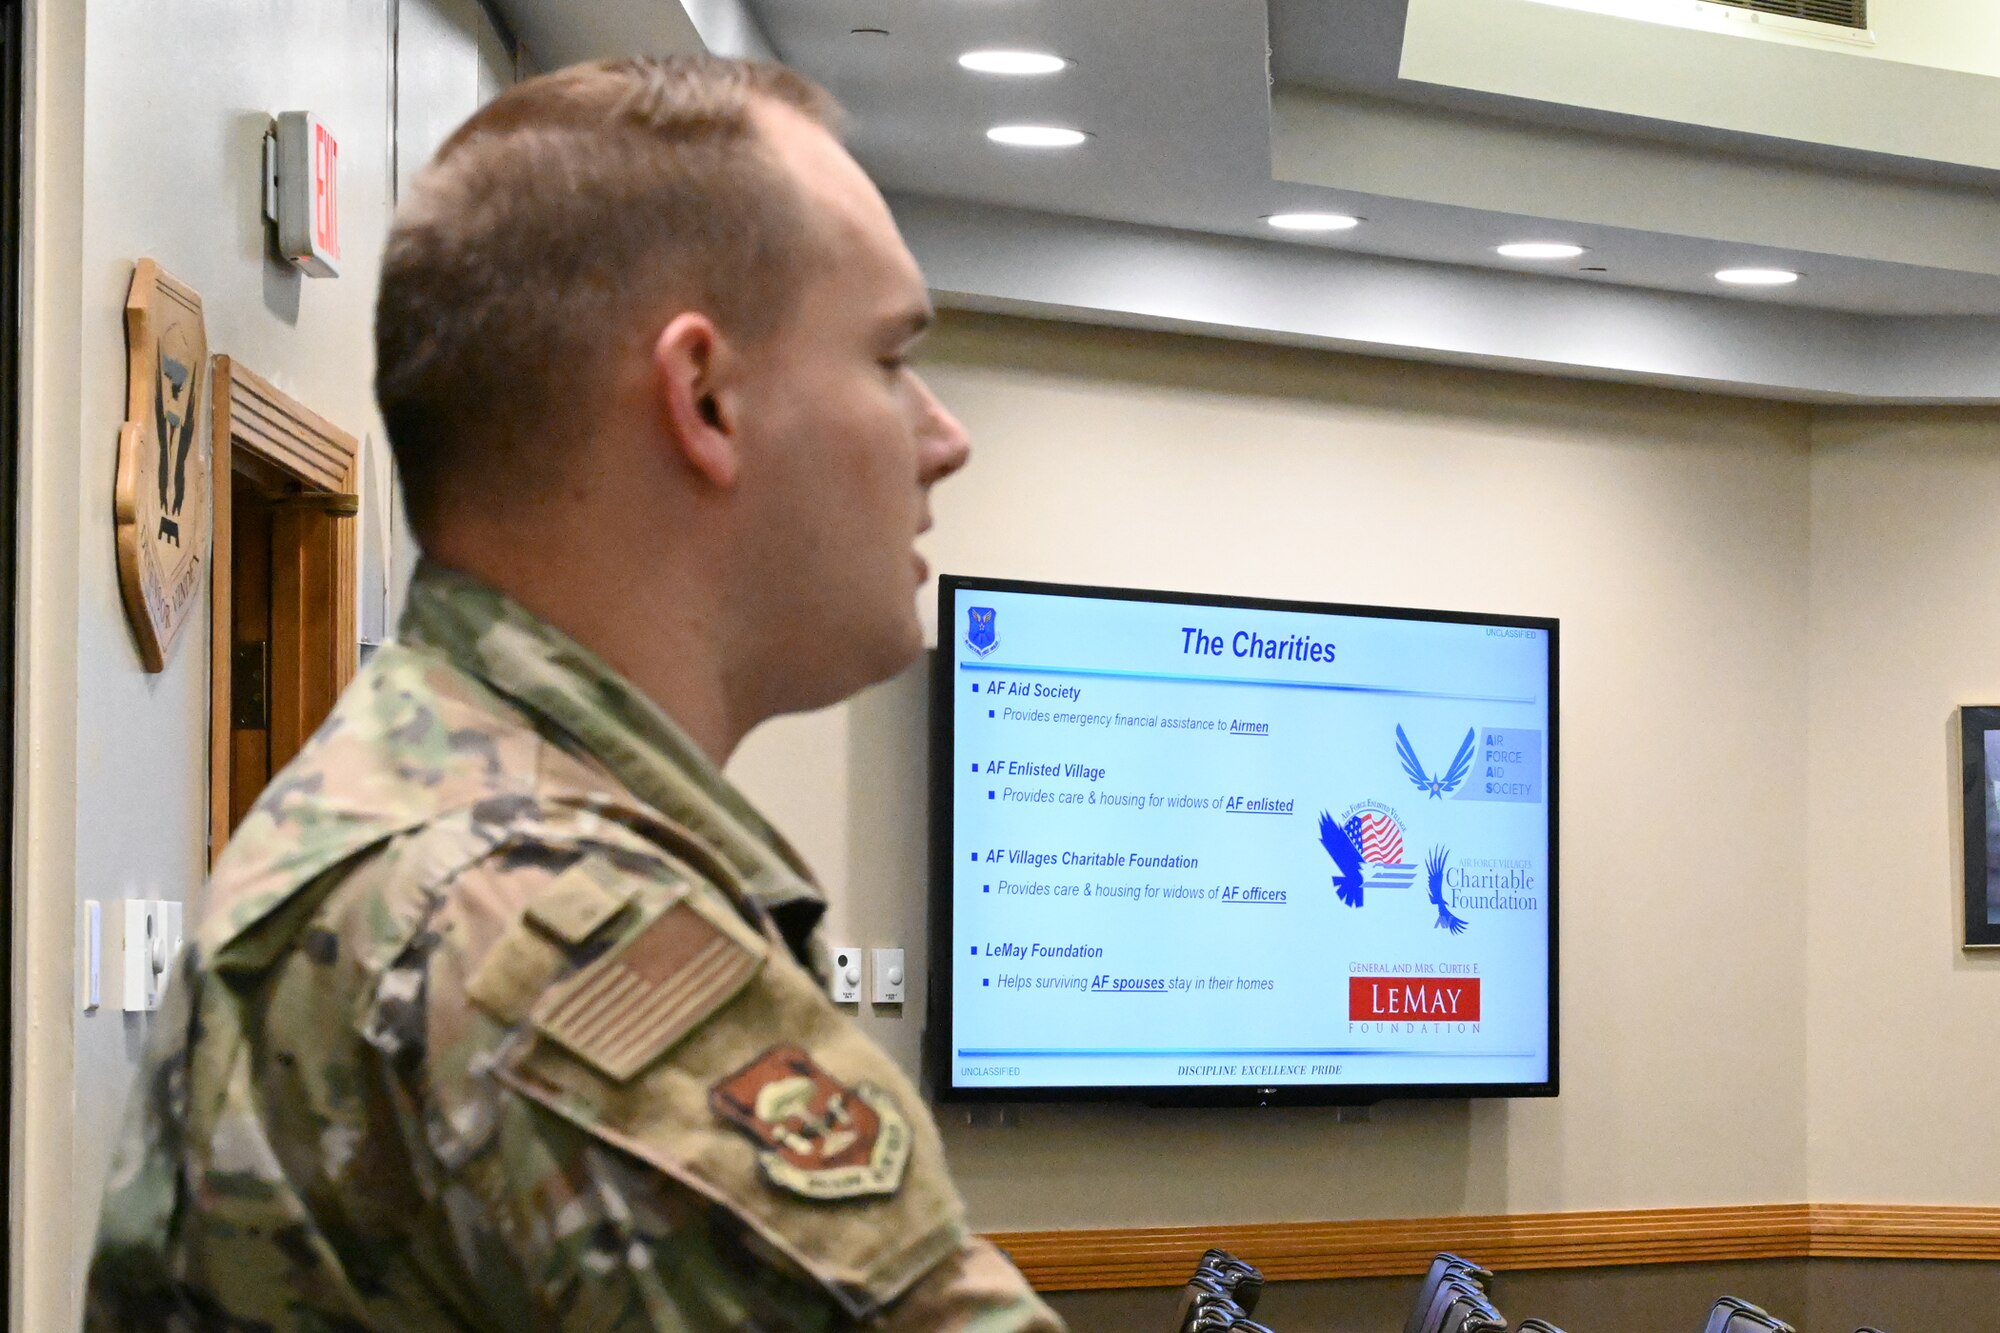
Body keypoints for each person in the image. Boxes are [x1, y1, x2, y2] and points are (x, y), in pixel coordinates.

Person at [86, 54, 1063, 1332]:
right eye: (889, 360)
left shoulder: (430, 823)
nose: (944, 437)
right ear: (701, 395)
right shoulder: (542, 925)